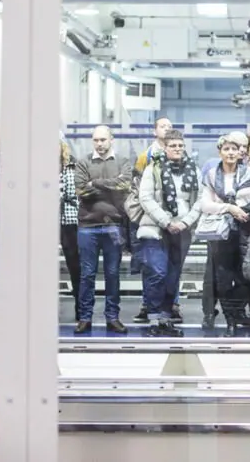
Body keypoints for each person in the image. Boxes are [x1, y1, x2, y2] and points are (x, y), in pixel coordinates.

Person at [202, 134, 250, 337]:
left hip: (248, 232)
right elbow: (205, 205)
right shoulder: (211, 175)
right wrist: (230, 208)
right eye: (226, 149)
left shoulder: (249, 173)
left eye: (234, 149)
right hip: (221, 234)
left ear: (240, 152)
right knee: (224, 280)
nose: (231, 153)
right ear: (220, 152)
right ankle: (231, 322)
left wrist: (248, 212)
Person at [137, 129, 203, 337]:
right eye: (173, 145)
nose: (177, 149)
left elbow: (200, 200)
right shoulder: (153, 168)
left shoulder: (194, 169)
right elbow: (145, 198)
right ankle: (153, 318)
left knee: (173, 277)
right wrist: (166, 222)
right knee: (157, 273)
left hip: (182, 230)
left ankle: (165, 319)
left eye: (180, 145)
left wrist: (185, 222)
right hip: (156, 229)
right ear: (165, 148)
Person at [75, 125, 131, 335]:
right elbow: (81, 190)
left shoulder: (123, 161)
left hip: (113, 226)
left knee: (113, 274)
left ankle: (112, 317)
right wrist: (110, 187)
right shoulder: (83, 162)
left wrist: (95, 183)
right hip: (87, 227)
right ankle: (85, 318)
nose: (99, 144)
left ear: (111, 140)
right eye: (96, 140)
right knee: (87, 275)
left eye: (103, 140)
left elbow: (124, 185)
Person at [131, 116, 172, 324]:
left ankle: (172, 306)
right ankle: (148, 305)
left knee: (172, 268)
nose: (167, 129)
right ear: (154, 131)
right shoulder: (144, 157)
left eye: (170, 126)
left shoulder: (178, 154)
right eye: (163, 126)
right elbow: (136, 187)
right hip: (149, 220)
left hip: (173, 222)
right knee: (150, 266)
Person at [59, 136, 81, 324]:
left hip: (69, 221)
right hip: (43, 223)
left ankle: (80, 307)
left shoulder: (71, 167)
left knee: (75, 266)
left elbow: (74, 194)